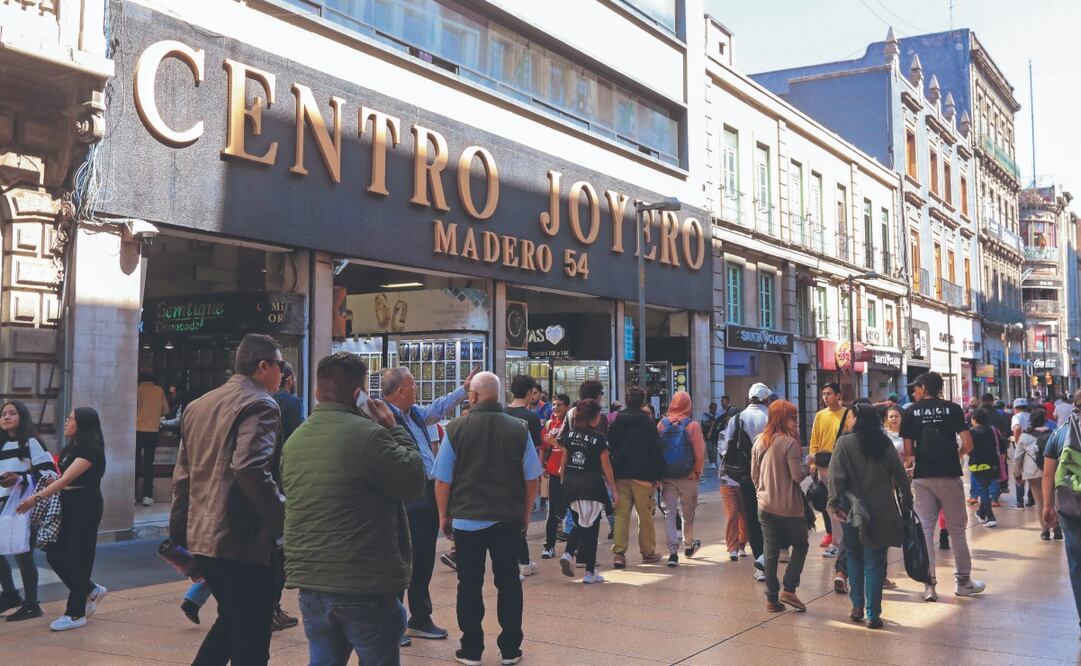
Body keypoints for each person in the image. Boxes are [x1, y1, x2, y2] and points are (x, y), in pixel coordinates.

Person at [281, 352, 425, 664]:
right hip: (364, 583)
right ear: (359, 394)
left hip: (312, 583)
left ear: (318, 391)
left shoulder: (295, 441)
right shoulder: (371, 435)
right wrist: (393, 426)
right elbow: (414, 480)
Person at [170, 333, 286, 665]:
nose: (282, 373)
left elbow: (183, 476)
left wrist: (179, 534)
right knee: (251, 634)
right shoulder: (261, 403)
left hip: (204, 538)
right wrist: (283, 523)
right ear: (263, 366)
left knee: (232, 621)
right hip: (243, 541)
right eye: (280, 366)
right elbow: (250, 468)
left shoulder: (198, 405)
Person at [433, 372, 541, 666]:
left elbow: (442, 480)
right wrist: (526, 510)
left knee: (469, 584)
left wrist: (444, 515)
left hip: (468, 520)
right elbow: (532, 475)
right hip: (508, 519)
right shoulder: (518, 428)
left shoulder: (456, 428)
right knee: (508, 582)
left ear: (473, 396)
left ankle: (471, 649)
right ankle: (510, 649)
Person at [381, 365, 471, 645]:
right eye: (413, 385)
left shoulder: (413, 413)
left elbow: (437, 410)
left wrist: (463, 390)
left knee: (422, 558)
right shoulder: (382, 418)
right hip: (405, 496)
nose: (416, 390)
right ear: (399, 391)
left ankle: (419, 617)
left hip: (427, 493)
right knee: (400, 561)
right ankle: (392, 624)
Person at [17, 408, 107, 630]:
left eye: (71, 419)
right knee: (55, 553)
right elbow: (62, 479)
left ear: (83, 424)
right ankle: (90, 589)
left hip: (85, 504)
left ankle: (76, 613)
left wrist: (34, 499)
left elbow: (67, 478)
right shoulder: (72, 448)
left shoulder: (91, 449)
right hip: (68, 502)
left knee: (79, 557)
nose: (66, 422)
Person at [901, 371, 985, 602]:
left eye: (916, 387)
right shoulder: (953, 409)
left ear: (925, 388)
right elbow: (968, 443)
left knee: (926, 531)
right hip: (949, 475)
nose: (913, 392)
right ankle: (964, 583)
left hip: (922, 476)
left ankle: (929, 586)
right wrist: (955, 456)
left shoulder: (910, 412)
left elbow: (908, 453)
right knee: (957, 530)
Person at [828, 403, 911, 629]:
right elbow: (901, 478)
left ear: (856, 419)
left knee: (854, 556)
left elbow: (835, 478)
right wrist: (907, 504)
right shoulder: (884, 444)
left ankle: (857, 606)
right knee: (875, 561)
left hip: (850, 511)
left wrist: (834, 504)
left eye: (850, 416)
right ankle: (873, 615)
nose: (848, 420)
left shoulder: (844, 443)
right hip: (882, 511)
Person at [751, 399, 809, 612]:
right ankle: (790, 588)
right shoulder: (789, 443)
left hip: (765, 506)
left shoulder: (759, 441)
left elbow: (754, 476)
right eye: (792, 417)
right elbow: (796, 476)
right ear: (781, 418)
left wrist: (762, 493)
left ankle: (772, 598)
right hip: (788, 508)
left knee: (771, 549)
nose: (795, 421)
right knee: (801, 544)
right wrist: (808, 466)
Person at [0, 400, 55, 621]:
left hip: (24, 505)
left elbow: (50, 474)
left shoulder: (31, 443)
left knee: (23, 555)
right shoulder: (1, 444)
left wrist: (20, 478)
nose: (6, 417)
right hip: (3, 505)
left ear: (22, 417)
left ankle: (32, 604)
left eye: (12, 413)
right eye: (3, 413)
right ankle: (11, 594)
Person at [557, 398, 617, 583]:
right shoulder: (599, 439)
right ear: (595, 418)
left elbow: (563, 462)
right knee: (590, 527)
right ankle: (580, 563)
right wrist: (613, 489)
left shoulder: (571, 435)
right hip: (591, 487)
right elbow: (606, 467)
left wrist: (563, 482)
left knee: (580, 523)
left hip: (571, 486)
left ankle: (579, 562)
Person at [608, 387, 665, 568]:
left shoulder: (616, 422)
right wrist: (656, 476)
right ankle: (648, 552)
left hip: (621, 476)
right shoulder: (648, 423)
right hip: (643, 477)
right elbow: (655, 451)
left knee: (621, 515)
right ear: (643, 402)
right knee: (645, 516)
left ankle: (619, 554)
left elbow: (611, 448)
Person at [722, 383, 772, 580]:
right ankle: (770, 557)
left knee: (751, 517)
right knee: (769, 517)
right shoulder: (771, 417)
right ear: (767, 399)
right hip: (769, 475)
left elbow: (726, 448)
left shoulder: (737, 418)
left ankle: (759, 562)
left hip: (745, 476)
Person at [1041, 389, 1081, 628]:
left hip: (1069, 506)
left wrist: (1047, 506)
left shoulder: (1059, 433)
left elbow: (1048, 474)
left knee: (1077, 564)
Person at [269, 361, 303, 633]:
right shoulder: (290, 403)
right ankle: (272, 608)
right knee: (279, 550)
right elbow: (295, 441)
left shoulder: (261, 399)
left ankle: (195, 595)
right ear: (288, 379)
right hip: (281, 483)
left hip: (262, 484)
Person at [808, 382, 850, 591]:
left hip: (840, 466)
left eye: (829, 394)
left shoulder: (847, 414)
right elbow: (814, 440)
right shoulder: (820, 416)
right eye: (823, 394)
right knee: (827, 505)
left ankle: (838, 543)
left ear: (838, 395)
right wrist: (814, 464)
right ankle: (836, 541)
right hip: (823, 465)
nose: (825, 397)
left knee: (836, 505)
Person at [657, 391, 705, 567]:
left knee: (669, 513)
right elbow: (699, 453)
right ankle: (688, 545)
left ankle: (672, 553)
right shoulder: (693, 426)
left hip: (667, 476)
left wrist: (659, 474)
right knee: (687, 514)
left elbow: (657, 451)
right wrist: (697, 472)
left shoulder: (662, 424)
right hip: (688, 476)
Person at [505, 375, 544, 580]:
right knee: (522, 518)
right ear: (530, 393)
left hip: (504, 472)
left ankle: (523, 560)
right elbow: (536, 450)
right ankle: (523, 562)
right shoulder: (531, 418)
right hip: (523, 474)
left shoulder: (502, 413)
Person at [1014, 407, 1057, 540]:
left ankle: (1045, 531)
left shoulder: (1025, 437)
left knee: (1039, 502)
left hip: (1033, 473)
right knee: (1053, 501)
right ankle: (1057, 528)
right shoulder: (1053, 434)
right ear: (1044, 420)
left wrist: (1017, 474)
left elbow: (1017, 457)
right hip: (1051, 472)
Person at [540, 394, 570, 558]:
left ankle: (574, 545)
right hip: (553, 472)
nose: (556, 407)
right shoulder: (549, 424)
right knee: (553, 510)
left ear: (567, 407)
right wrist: (542, 465)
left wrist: (555, 443)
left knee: (573, 509)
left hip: (570, 472)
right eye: (554, 404)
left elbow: (570, 447)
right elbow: (544, 447)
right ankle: (549, 545)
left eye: (559, 405)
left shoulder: (572, 425)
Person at [136, 370, 169, 507]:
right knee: (149, 463)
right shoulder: (159, 390)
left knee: (135, 462)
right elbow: (166, 410)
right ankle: (147, 495)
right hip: (153, 430)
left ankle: (132, 494)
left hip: (137, 429)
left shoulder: (137, 389)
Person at [968, 408, 1001, 528]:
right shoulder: (993, 430)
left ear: (974, 419)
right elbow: (1001, 444)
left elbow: (967, 447)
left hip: (977, 465)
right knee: (985, 489)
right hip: (992, 464)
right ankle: (981, 513)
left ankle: (990, 516)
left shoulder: (971, 432)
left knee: (983, 491)